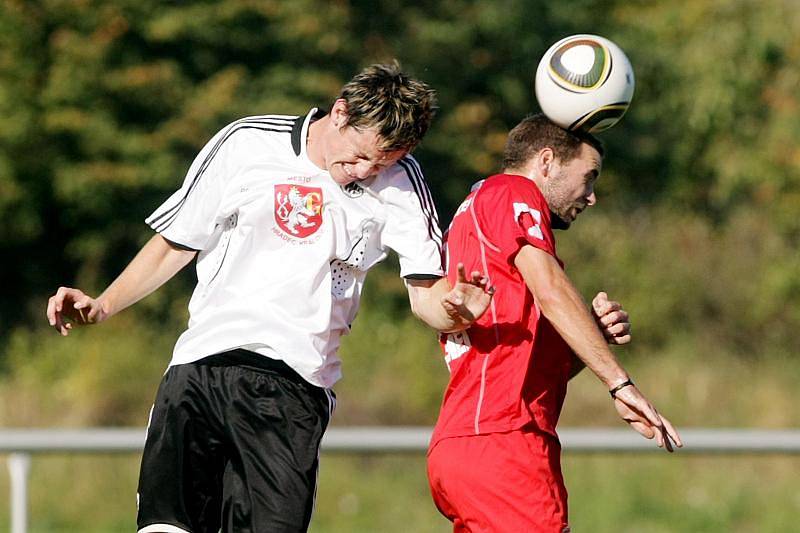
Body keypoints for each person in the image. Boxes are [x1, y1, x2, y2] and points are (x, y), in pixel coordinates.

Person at [46, 62, 492, 533]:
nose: (364, 172)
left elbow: (426, 294)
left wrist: (453, 310)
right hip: (200, 368)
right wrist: (104, 304)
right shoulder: (246, 141)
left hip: (292, 388)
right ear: (339, 113)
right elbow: (176, 242)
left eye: (379, 164)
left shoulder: (402, 182)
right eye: (360, 156)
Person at [426, 114, 682, 533]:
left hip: (471, 440)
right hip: (503, 441)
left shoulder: (485, 211)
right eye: (589, 176)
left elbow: (538, 367)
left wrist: (593, 339)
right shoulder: (512, 191)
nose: (592, 196)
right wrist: (620, 383)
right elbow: (551, 288)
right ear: (546, 161)